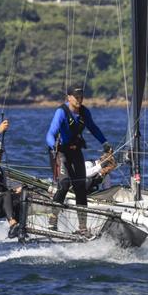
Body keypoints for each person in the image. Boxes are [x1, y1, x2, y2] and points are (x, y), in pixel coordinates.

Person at [45, 85, 111, 232]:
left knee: (81, 187)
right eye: (76, 97)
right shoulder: (61, 112)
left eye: (81, 97)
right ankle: (52, 220)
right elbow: (50, 133)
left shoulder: (84, 112)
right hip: (60, 152)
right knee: (65, 183)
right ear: (69, 97)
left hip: (75, 152)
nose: (79, 100)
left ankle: (82, 227)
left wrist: (105, 143)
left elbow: (93, 128)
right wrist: (52, 146)